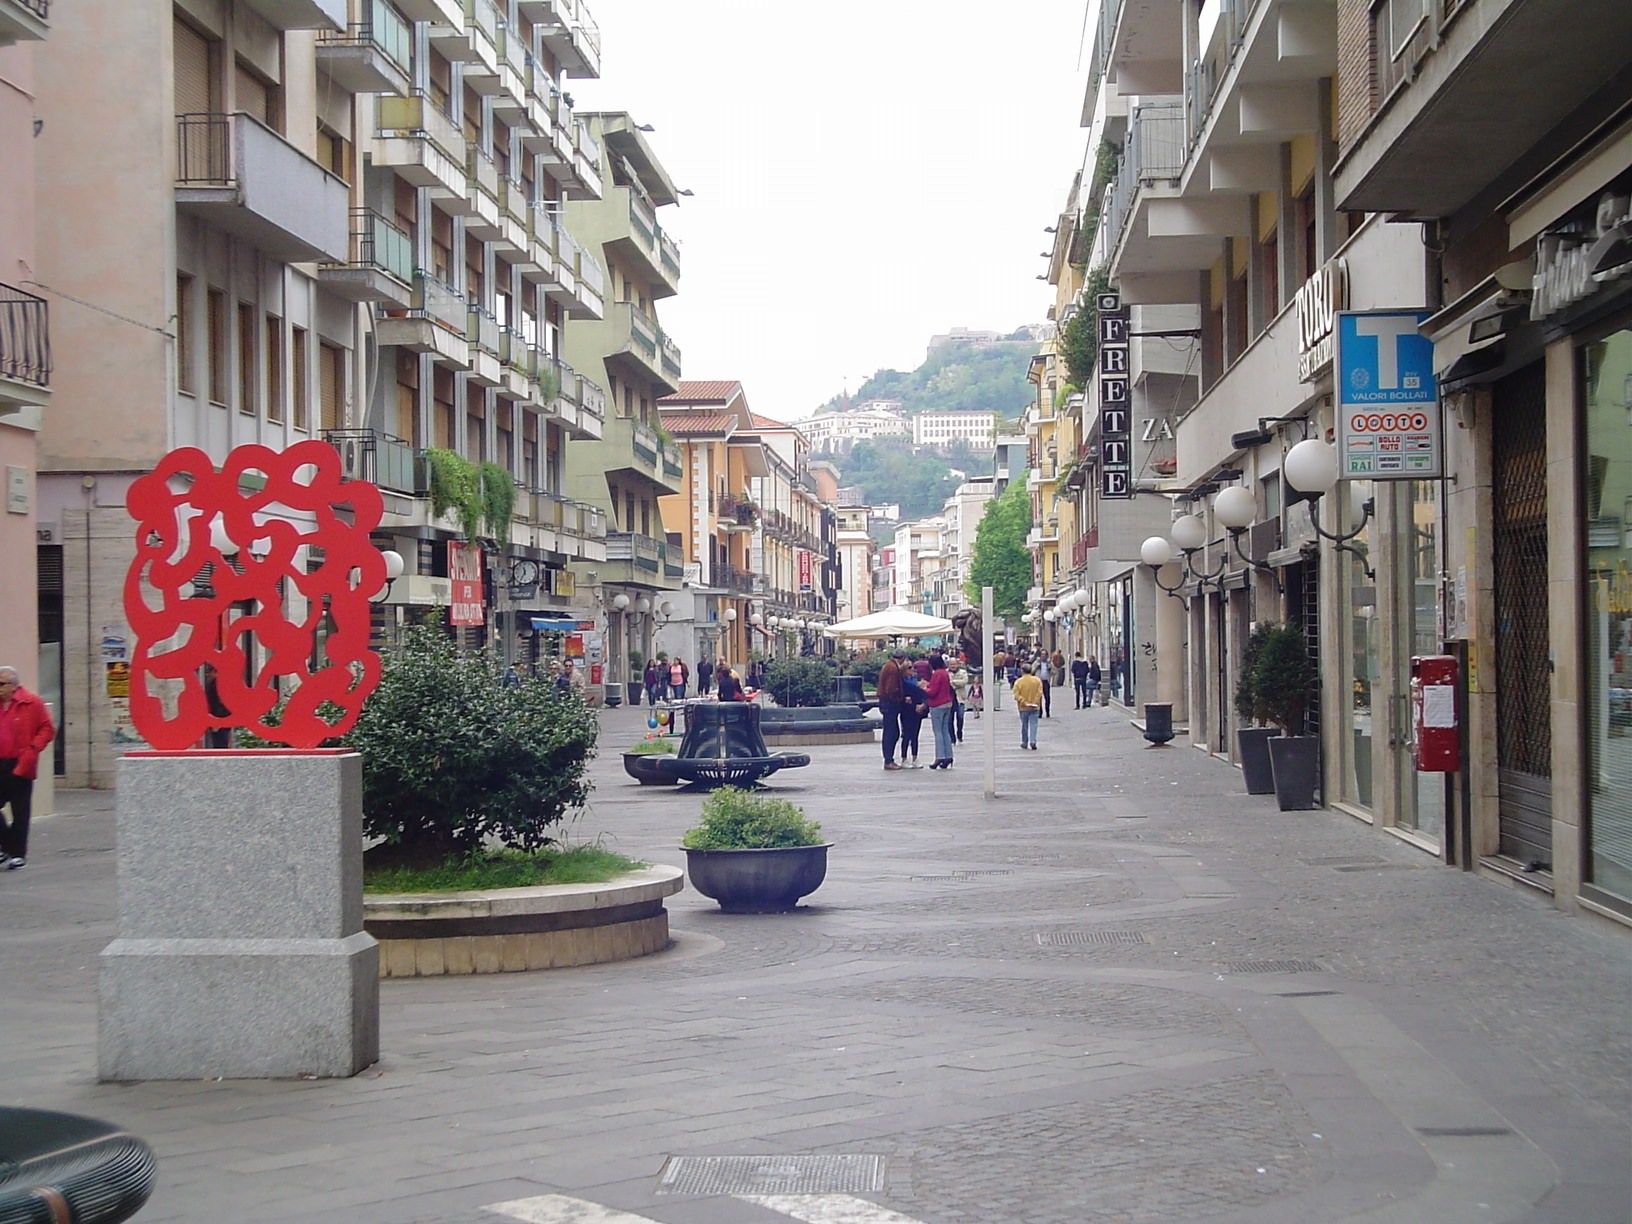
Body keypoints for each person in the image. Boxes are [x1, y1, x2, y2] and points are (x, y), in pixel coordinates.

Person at [0, 666, 56, 870]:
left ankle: (17, 854)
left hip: (21, 761)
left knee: (20, 810)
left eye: (2, 684)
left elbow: (48, 729)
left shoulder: (31, 703)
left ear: (14, 686)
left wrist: (33, 749)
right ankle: (7, 845)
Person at [923, 652, 955, 769]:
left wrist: (924, 687)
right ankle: (949, 756)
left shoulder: (937, 674)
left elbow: (932, 692)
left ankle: (940, 756)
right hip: (947, 703)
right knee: (945, 730)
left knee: (938, 732)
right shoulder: (945, 673)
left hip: (937, 704)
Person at [877, 653, 905, 770]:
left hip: (886, 703)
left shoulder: (889, 665)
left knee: (892, 732)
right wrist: (899, 699)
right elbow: (890, 688)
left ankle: (889, 759)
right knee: (891, 732)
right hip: (889, 704)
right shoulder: (893, 668)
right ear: (902, 658)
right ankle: (888, 760)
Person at [899, 660, 929, 768]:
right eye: (909, 668)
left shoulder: (914, 680)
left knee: (915, 735)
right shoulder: (902, 681)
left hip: (917, 710)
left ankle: (915, 757)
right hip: (907, 711)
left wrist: (923, 705)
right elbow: (904, 695)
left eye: (912, 668)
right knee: (906, 734)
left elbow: (922, 694)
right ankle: (904, 758)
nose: (912, 670)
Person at [1012, 662, 1043, 751]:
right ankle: (1033, 741)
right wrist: (1035, 701)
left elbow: (1016, 695)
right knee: (1034, 724)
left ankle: (1024, 742)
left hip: (1023, 707)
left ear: (1022, 671)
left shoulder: (1018, 682)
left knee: (1024, 725)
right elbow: (1039, 693)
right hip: (1034, 706)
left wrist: (1024, 702)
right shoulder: (1037, 681)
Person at [201, 661, 232, 748]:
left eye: (209, 672)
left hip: (219, 719)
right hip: (221, 718)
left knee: (220, 742)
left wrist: (217, 720)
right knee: (220, 742)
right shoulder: (217, 684)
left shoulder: (216, 685)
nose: (208, 675)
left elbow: (219, 703)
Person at [948, 657, 968, 743]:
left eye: (954, 664)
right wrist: (957, 682)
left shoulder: (963, 672)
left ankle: (959, 732)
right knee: (949, 719)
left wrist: (952, 682)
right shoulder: (946, 673)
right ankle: (952, 738)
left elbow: (964, 682)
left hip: (960, 698)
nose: (953, 666)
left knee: (960, 717)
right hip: (949, 699)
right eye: (951, 664)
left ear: (958, 664)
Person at [1037, 654, 1053, 718]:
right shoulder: (1037, 663)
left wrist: (1050, 668)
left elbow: (1054, 672)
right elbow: (1032, 670)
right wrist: (1036, 667)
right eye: (1042, 655)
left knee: (1047, 698)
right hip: (1039, 682)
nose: (1043, 656)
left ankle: (1047, 711)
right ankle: (1040, 712)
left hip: (1046, 682)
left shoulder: (1048, 663)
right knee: (1039, 698)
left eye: (1044, 655)